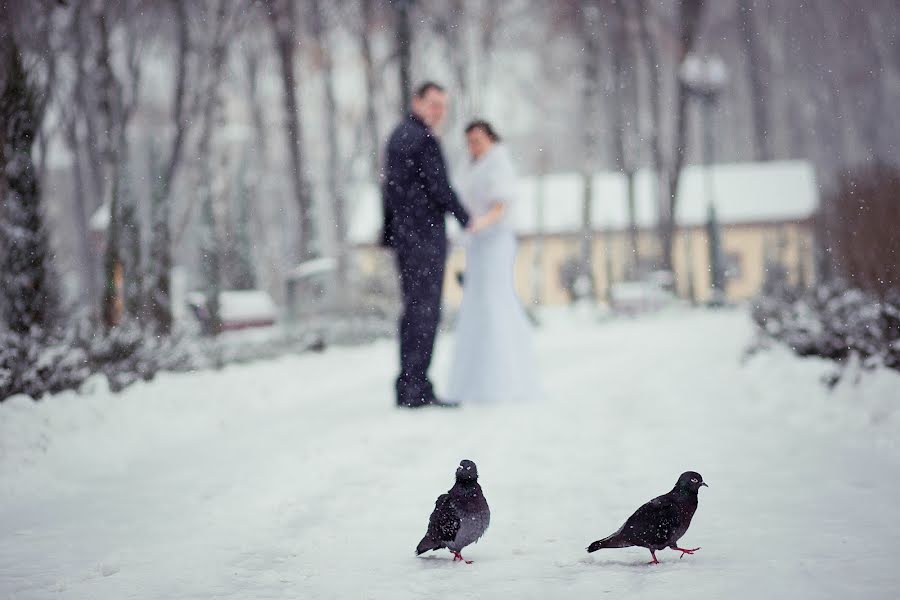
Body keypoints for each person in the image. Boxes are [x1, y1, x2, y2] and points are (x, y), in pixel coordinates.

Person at [381, 82, 471, 408]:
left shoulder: (397, 136)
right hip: (423, 238)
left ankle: (409, 385)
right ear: (416, 101)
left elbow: (389, 191)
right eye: (433, 104)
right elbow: (439, 187)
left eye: (442, 106)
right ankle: (416, 388)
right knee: (424, 313)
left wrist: (391, 233)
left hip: (407, 240)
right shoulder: (422, 140)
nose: (438, 112)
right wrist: (467, 218)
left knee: (413, 311)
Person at [446, 120, 542, 404]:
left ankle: (505, 380)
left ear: (490, 139)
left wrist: (479, 224)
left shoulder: (499, 163)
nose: (474, 146)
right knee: (476, 305)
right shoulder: (468, 165)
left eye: (478, 140)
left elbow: (502, 205)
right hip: (476, 243)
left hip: (496, 241)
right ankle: (475, 381)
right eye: (470, 141)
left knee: (494, 302)